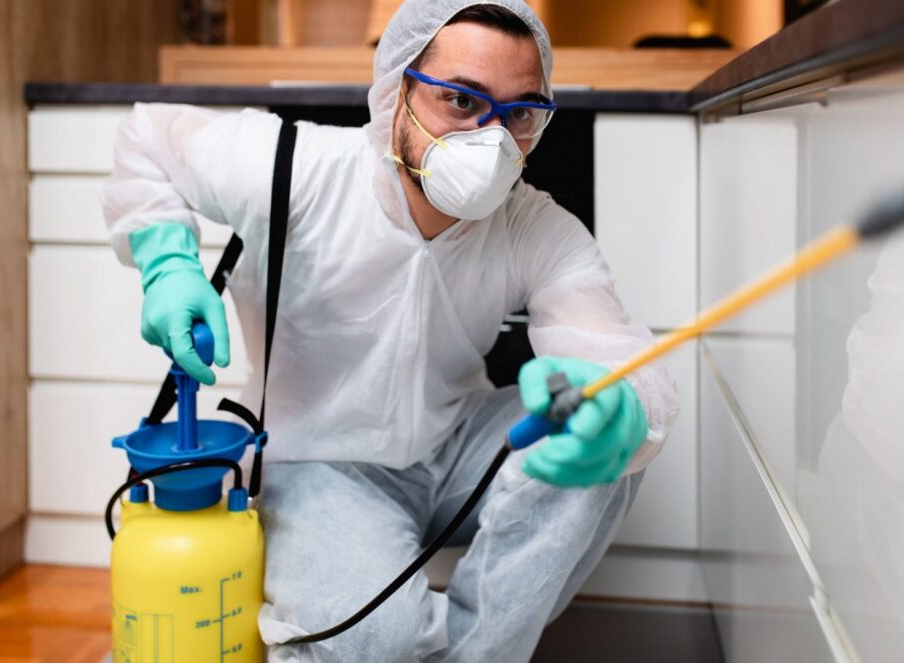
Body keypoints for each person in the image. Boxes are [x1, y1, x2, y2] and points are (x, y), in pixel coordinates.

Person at [102, 1, 678, 660]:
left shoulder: (532, 227)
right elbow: (147, 139)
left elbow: (615, 350)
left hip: (456, 442)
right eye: (462, 101)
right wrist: (166, 262)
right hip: (324, 463)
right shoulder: (296, 167)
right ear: (398, 90)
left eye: (519, 113)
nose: (490, 141)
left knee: (614, 429)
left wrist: (616, 402)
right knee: (376, 639)